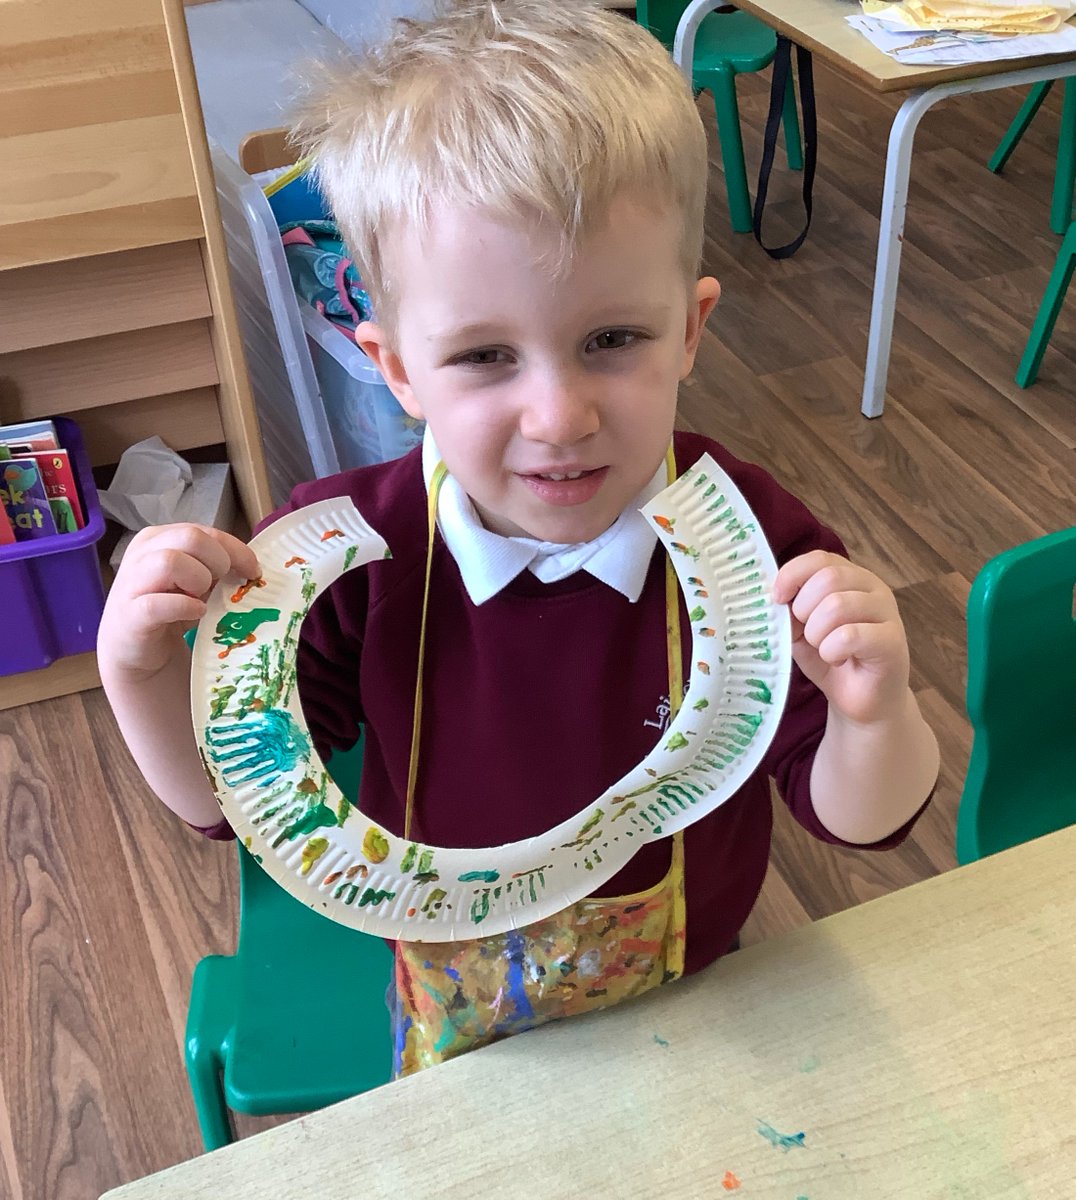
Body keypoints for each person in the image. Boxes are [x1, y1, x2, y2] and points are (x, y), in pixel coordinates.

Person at [97, 0, 939, 1078]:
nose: (558, 417)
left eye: (611, 339)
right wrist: (140, 674)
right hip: (459, 1018)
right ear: (397, 369)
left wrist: (876, 715)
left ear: (689, 330)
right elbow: (227, 799)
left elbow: (859, 823)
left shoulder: (752, 540)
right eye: (485, 356)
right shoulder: (351, 556)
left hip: (699, 987)